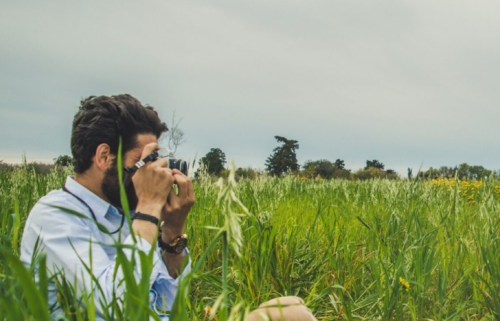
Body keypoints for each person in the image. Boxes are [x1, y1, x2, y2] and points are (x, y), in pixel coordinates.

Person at [19, 94, 315, 320]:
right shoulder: (55, 216)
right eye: (144, 161)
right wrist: (148, 209)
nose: (155, 172)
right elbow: (118, 309)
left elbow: (172, 307)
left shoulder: (125, 216)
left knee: (291, 307)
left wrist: (172, 231)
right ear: (104, 156)